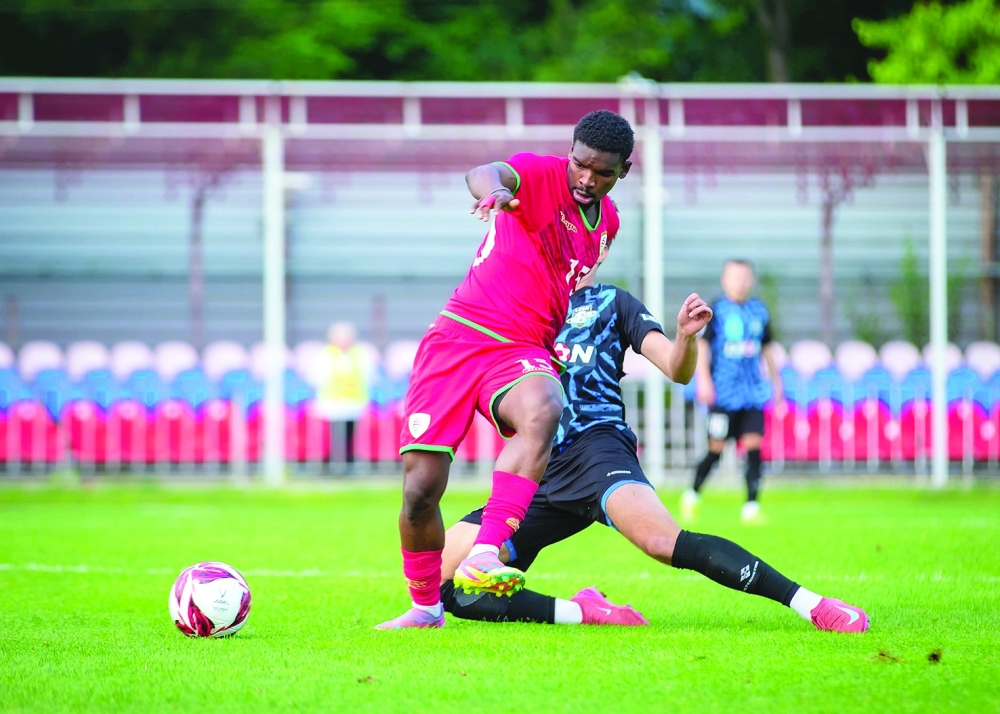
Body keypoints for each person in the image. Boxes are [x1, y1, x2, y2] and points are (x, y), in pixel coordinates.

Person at [435, 250, 869, 633]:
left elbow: (677, 370)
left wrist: (686, 338)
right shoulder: (520, 310)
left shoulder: (613, 303)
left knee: (664, 543)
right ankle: (584, 612)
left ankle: (813, 605)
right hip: (535, 468)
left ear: (598, 250)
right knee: (447, 584)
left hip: (596, 452)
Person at [376, 111, 635, 630]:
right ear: (570, 152)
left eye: (602, 172)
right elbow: (487, 172)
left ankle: (485, 552)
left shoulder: (607, 224)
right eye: (580, 164)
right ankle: (425, 606)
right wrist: (493, 192)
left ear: (623, 171)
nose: (587, 178)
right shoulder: (539, 174)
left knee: (544, 406)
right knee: (421, 489)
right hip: (457, 338)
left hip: (519, 348)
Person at [681, 259, 784, 524]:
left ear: (751, 280)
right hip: (723, 394)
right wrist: (704, 380)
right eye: (735, 278)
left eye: (744, 278)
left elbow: (767, 348)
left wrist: (776, 382)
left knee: (754, 447)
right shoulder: (716, 311)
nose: (740, 283)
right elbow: (704, 346)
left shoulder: (759, 311)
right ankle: (692, 495)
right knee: (715, 449)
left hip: (752, 395)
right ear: (724, 281)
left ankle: (751, 506)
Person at [314, 322, 371, 469]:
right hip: (331, 401)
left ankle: (349, 460)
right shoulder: (325, 354)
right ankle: (330, 460)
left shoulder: (360, 354)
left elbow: (368, 376)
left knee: (350, 433)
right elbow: (317, 378)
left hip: (354, 401)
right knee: (332, 433)